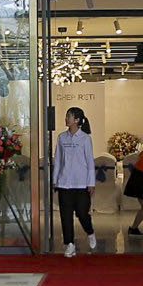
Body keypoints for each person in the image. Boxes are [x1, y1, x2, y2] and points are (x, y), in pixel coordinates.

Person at [51, 106, 97, 258]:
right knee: (65, 216)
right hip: (64, 183)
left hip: (81, 183)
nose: (66, 119)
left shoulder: (85, 138)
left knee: (82, 213)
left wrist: (91, 183)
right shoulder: (61, 138)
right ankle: (69, 244)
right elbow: (58, 160)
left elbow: (90, 162)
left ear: (76, 120)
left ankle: (90, 232)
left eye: (68, 116)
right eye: (66, 116)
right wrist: (55, 179)